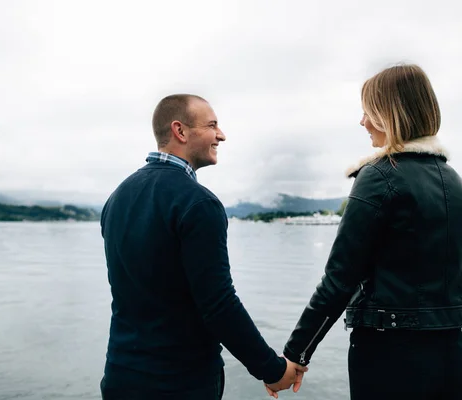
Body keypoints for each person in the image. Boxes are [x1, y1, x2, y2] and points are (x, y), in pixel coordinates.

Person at [276, 64, 462, 399]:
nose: (363, 121)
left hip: (391, 361)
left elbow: (340, 279)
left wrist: (295, 355)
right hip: (451, 359)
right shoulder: (461, 188)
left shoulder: (380, 177)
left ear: (389, 114)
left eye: (368, 111)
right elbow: (459, 284)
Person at [99, 94, 307, 400]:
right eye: (212, 126)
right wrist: (272, 369)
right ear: (180, 131)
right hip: (179, 384)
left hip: (120, 377)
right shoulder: (198, 203)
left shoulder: (116, 198)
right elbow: (218, 304)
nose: (221, 135)